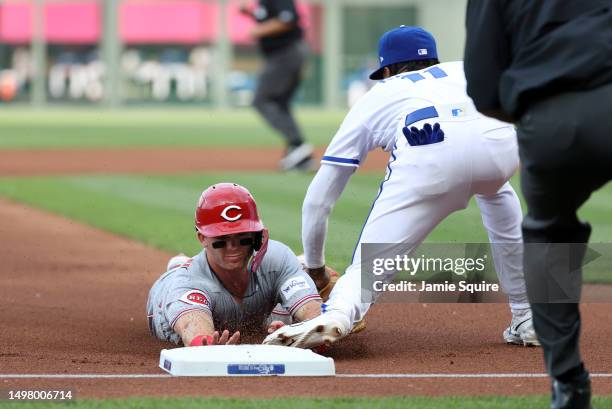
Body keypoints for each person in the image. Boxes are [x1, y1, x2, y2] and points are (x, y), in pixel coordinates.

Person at [264, 26, 538, 349]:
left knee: (369, 266)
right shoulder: (463, 69)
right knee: (498, 192)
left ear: (389, 70)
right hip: (501, 149)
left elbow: (318, 199)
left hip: (429, 159)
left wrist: (314, 266)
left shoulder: (378, 94)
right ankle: (528, 316)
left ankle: (338, 313)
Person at [464, 2, 612, 408]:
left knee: (550, 234)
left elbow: (483, 88)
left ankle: (568, 383)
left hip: (551, 115)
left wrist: (541, 118)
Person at [146, 183, 323, 346]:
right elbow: (193, 330)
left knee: (283, 321)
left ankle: (300, 271)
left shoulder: (277, 257)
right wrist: (207, 344)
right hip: (166, 292)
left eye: (242, 238)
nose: (233, 248)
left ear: (256, 235)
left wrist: (310, 335)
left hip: (256, 308)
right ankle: (179, 265)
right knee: (283, 315)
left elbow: (316, 322)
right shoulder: (187, 283)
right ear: (202, 238)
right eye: (221, 240)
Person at [239, 0, 313, 171]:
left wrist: (258, 30)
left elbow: (288, 19)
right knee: (279, 103)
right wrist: (250, 14)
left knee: (262, 100)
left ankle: (298, 145)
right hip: (286, 54)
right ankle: (299, 153)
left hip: (286, 54)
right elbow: (271, 17)